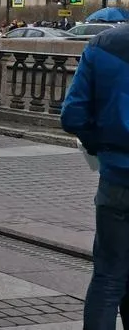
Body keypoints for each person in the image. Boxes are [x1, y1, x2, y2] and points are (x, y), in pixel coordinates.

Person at [61, 24, 129, 330]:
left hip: (116, 179)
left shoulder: (102, 44)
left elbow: (72, 116)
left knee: (109, 278)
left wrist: (99, 145)